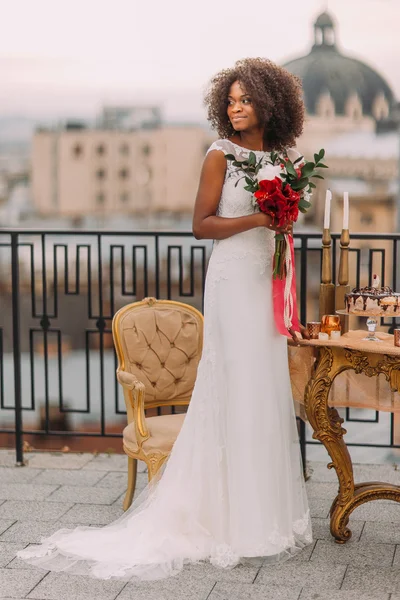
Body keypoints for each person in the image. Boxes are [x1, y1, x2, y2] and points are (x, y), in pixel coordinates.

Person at [17, 57, 312, 580]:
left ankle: (263, 513)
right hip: (229, 280)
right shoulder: (220, 155)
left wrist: (282, 224)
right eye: (231, 100)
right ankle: (223, 517)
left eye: (245, 100)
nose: (236, 108)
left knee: (263, 388)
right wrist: (259, 218)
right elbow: (200, 225)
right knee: (233, 384)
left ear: (270, 103)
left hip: (265, 278)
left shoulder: (286, 158)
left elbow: (281, 223)